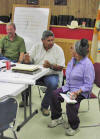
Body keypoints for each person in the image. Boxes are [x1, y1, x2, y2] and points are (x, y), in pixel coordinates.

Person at [48, 38, 95, 136]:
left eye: (72, 48)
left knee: (71, 104)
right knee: (54, 94)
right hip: (68, 87)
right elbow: (68, 77)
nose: (70, 49)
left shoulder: (87, 65)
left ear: (77, 53)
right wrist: (66, 89)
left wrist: (77, 92)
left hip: (81, 91)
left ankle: (75, 126)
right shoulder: (73, 60)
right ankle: (57, 118)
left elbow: (88, 85)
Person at [20, 30, 65, 116]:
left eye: (52, 40)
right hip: (36, 73)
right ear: (42, 40)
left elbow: (61, 67)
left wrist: (51, 66)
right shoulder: (37, 46)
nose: (51, 42)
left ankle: (44, 106)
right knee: (24, 78)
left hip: (51, 74)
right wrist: (26, 60)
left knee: (53, 83)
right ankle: (25, 100)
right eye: (48, 40)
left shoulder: (58, 50)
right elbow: (29, 60)